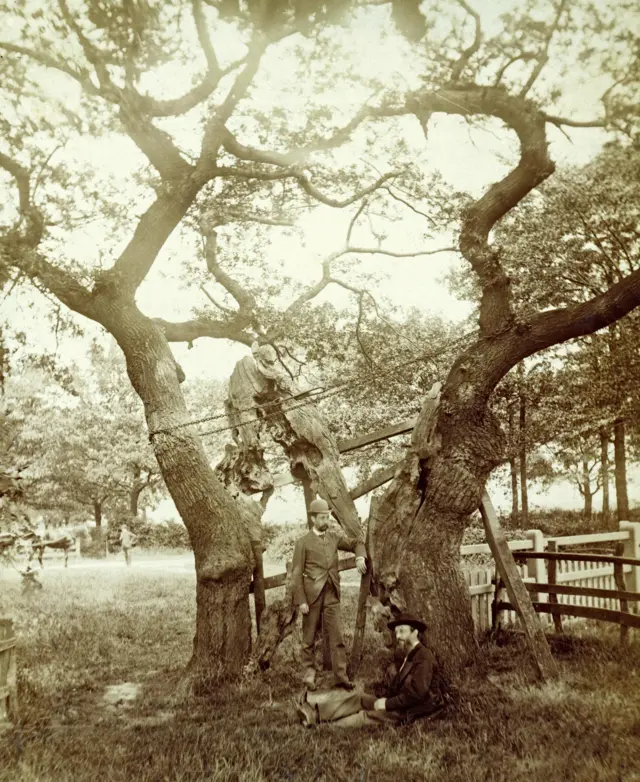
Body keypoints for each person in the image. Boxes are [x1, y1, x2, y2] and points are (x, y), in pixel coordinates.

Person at [292, 613, 443, 728]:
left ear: (415, 632)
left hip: (413, 711)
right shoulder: (407, 655)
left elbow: (418, 694)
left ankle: (327, 727)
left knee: (367, 716)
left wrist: (387, 704)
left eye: (402, 631)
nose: (397, 636)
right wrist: (383, 700)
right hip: (401, 704)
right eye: (396, 632)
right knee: (359, 698)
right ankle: (315, 713)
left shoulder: (424, 657)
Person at [291, 497, 367, 690]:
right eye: (323, 517)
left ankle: (341, 677)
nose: (327, 521)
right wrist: (301, 600)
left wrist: (360, 557)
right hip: (311, 597)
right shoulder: (303, 542)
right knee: (308, 640)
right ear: (314, 519)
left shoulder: (334, 537)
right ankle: (309, 677)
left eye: (328, 517)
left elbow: (356, 542)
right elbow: (296, 573)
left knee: (337, 637)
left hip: (332, 594)